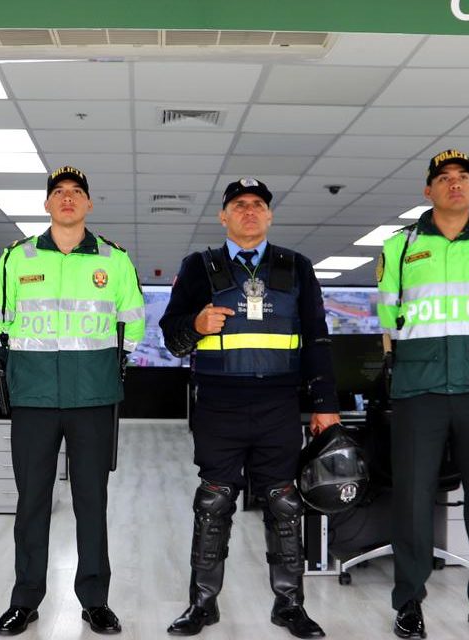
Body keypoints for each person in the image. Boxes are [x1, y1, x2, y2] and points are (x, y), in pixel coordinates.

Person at [160, 178, 339, 639]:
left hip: (279, 403)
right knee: (215, 500)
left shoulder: (296, 266)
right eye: (238, 205)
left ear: (270, 215)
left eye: (257, 205)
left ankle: (290, 606)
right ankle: (202, 605)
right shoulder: (198, 267)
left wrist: (325, 404)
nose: (248, 211)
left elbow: (318, 339)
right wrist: (195, 324)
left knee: (283, 502)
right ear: (223, 216)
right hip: (219, 401)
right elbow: (172, 336)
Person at [0, 166, 144, 637]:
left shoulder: (114, 261)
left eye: (76, 193)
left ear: (89, 205)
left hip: (92, 396)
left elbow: (133, 325)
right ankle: (25, 600)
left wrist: (103, 366)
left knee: (92, 501)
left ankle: (95, 601)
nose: (67, 199)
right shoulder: (16, 258)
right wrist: (16, 364)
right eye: (59, 193)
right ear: (47, 205)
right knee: (30, 501)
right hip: (33, 397)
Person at [376, 150, 469, 640]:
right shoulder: (399, 247)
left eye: (463, 178)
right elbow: (388, 321)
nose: (455, 185)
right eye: (444, 178)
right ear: (429, 191)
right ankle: (408, 604)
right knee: (413, 502)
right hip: (419, 387)